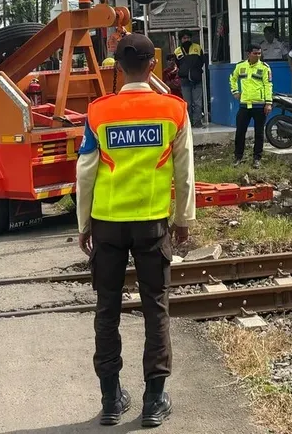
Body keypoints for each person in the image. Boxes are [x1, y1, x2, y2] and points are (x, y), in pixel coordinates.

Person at [75, 33, 194, 428]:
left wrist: (83, 224)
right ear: (153, 66)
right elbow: (185, 171)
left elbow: (86, 172)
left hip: (107, 224)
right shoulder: (173, 109)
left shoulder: (98, 112)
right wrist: (183, 220)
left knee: (106, 309)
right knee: (155, 308)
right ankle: (154, 401)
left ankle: (111, 399)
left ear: (117, 67)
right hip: (152, 223)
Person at [230, 44, 273, 168]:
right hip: (244, 105)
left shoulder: (265, 68)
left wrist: (268, 103)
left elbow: (268, 85)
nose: (258, 55)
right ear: (248, 53)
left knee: (259, 133)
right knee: (240, 132)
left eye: (259, 53)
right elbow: (232, 79)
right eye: (255, 53)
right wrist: (235, 91)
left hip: (260, 105)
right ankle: (238, 157)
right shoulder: (240, 66)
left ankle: (257, 159)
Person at [174, 30, 206, 127]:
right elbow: (178, 64)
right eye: (184, 38)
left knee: (198, 103)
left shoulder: (197, 48)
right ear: (181, 40)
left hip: (196, 80)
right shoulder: (177, 51)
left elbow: (202, 61)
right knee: (187, 103)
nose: (186, 39)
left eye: (188, 38)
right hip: (184, 81)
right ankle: (188, 123)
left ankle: (197, 122)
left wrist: (194, 71)